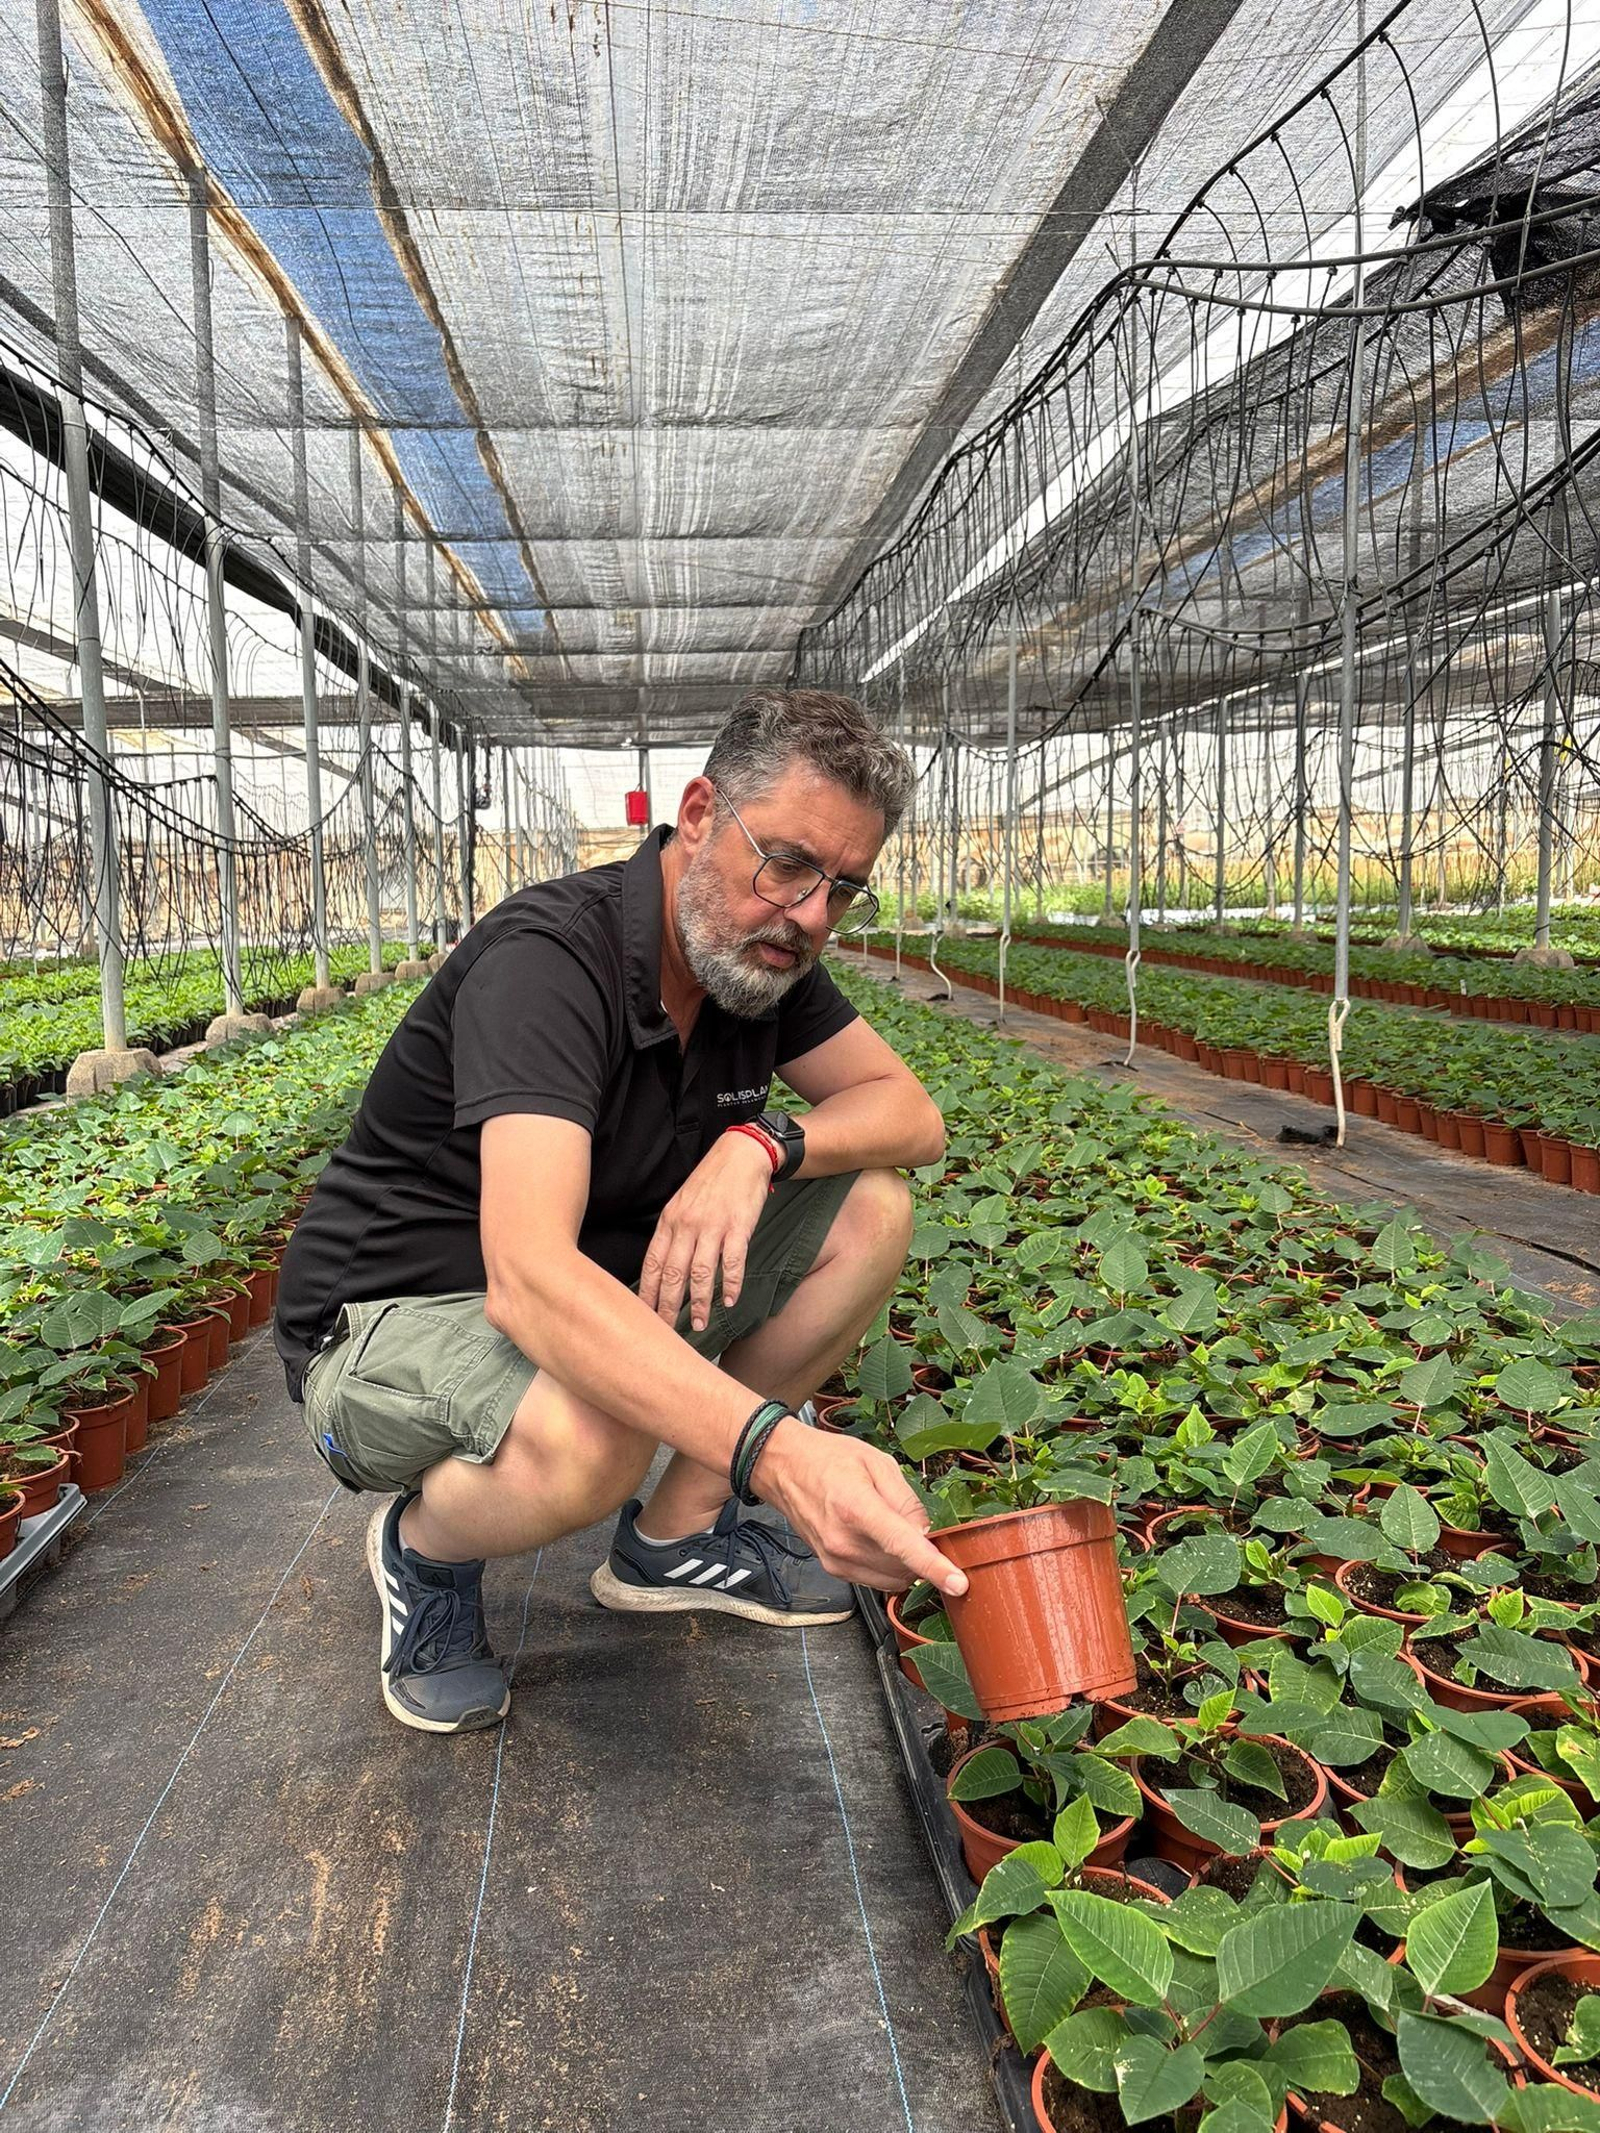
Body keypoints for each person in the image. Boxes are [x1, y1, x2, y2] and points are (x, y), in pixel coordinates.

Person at [273, 689, 968, 1734]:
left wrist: (759, 1143)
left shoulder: (759, 962)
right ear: (697, 816)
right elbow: (530, 1284)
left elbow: (911, 1118)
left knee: (869, 1203)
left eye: (843, 888)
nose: (811, 915)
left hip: (572, 1296)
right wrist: (777, 1452)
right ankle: (421, 1549)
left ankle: (675, 1537)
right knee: (593, 1431)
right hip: (385, 1326)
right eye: (787, 863)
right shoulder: (551, 964)